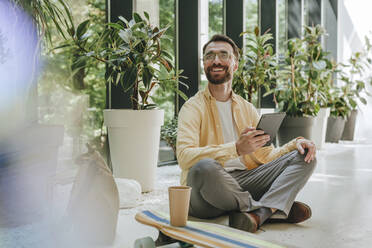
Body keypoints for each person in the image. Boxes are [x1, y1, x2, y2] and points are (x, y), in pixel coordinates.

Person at [176, 34, 317, 233]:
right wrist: (235, 148)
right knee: (204, 168)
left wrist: (297, 144)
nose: (216, 60)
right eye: (209, 56)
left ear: (234, 64)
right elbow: (183, 158)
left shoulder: (247, 108)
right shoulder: (192, 108)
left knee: (306, 157)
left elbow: (266, 155)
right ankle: (269, 209)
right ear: (204, 64)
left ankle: (258, 213)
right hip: (206, 194)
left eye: (223, 55)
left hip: (244, 182)